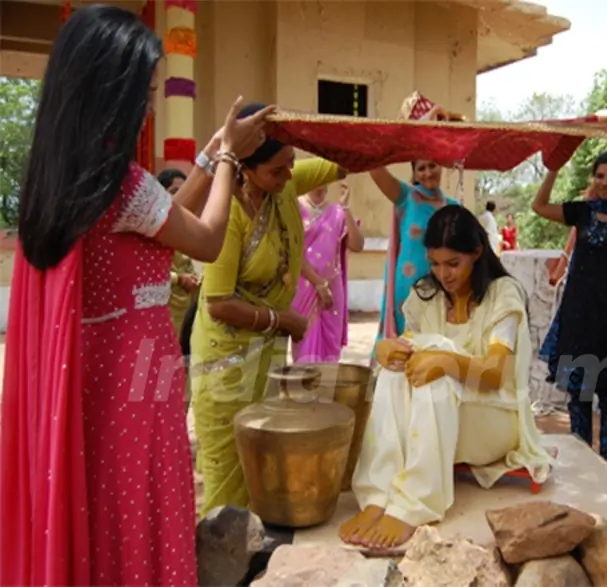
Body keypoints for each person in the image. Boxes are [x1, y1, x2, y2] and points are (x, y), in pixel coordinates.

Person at [0, 5, 271, 585]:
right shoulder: (120, 184)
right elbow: (205, 237)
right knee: (141, 508)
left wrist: (209, 155)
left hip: (88, 379)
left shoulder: (63, 181)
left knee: (97, 511)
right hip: (137, 385)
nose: (147, 106)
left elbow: (167, 215)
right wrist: (227, 157)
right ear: (110, 93)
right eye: (142, 92)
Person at [339, 205, 554, 550]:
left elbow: (495, 375)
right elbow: (409, 352)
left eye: (453, 263)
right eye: (435, 263)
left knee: (436, 354)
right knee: (400, 364)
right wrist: (384, 350)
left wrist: (447, 361)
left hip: (495, 421)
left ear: (477, 253)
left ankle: (416, 504)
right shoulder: (427, 294)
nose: (444, 274)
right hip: (443, 422)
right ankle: (378, 495)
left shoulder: (502, 294)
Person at [190, 104, 348, 515]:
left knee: (262, 472)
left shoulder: (285, 185)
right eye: (277, 171)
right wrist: (284, 320)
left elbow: (347, 161)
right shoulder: (228, 214)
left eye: (291, 165)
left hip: (265, 361)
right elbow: (218, 302)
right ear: (244, 167)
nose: (288, 177)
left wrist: (413, 133)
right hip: (225, 367)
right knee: (229, 487)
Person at [533, 150, 607, 468]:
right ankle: (583, 466)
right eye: (599, 175)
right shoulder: (582, 213)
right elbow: (539, 206)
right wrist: (553, 169)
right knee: (579, 399)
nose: (605, 182)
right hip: (578, 321)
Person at [373, 105, 461, 344]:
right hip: (407, 290)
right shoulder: (406, 197)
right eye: (421, 168)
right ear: (414, 172)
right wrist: (413, 130)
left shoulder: (453, 207)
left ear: (441, 165)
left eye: (432, 165)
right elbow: (375, 165)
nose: (428, 172)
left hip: (443, 291)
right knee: (403, 352)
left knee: (434, 352)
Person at [292, 182, 365, 363]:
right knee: (305, 346)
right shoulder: (294, 208)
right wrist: (317, 283)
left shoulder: (337, 211)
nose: (321, 184)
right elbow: (291, 252)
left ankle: (326, 389)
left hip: (332, 290)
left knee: (330, 350)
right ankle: (306, 390)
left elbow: (357, 245)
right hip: (304, 288)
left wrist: (346, 207)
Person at [158, 169, 201, 339]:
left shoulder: (185, 226)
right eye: (175, 192)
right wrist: (179, 279)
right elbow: (144, 273)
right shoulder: (154, 229)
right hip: (164, 308)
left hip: (185, 308)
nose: (182, 197)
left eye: (185, 190)